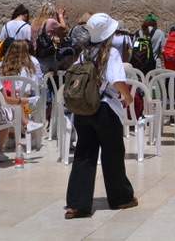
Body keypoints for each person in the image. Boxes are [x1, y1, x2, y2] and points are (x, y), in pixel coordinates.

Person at [65, 13, 137, 219]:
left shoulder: (84, 53)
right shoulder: (111, 53)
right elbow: (116, 80)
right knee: (112, 154)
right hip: (105, 109)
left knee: (84, 155)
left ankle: (77, 204)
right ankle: (120, 197)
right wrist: (128, 97)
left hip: (83, 110)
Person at [31, 2, 68, 74]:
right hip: (46, 53)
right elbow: (63, 27)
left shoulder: (34, 22)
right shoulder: (50, 21)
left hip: (35, 53)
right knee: (48, 74)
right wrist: (60, 15)